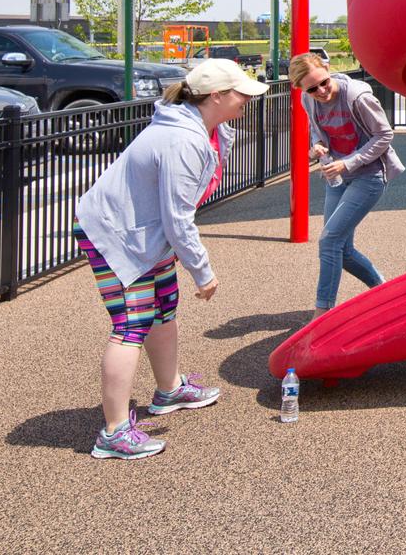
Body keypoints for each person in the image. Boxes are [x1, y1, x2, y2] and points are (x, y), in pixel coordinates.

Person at [72, 59, 267, 459]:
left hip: (146, 235)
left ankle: (170, 389)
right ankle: (113, 431)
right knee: (132, 323)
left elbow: (175, 213)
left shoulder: (205, 130)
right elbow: (177, 215)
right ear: (217, 96)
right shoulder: (183, 141)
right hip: (118, 235)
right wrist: (202, 270)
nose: (248, 98)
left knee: (164, 308)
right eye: (240, 92)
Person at [295, 54, 404, 317]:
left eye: (323, 82)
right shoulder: (307, 99)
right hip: (337, 177)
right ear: (301, 89)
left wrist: (349, 162)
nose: (320, 91)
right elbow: (316, 129)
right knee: (341, 249)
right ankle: (385, 291)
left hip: (368, 176)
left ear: (328, 70)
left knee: (329, 240)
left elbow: (384, 134)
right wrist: (317, 147)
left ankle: (322, 313)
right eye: (312, 88)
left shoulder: (357, 96)